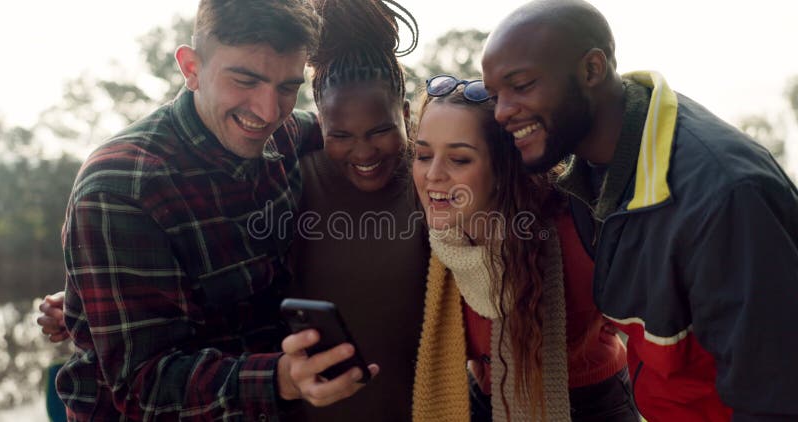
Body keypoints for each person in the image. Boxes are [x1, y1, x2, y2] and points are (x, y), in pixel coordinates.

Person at [54, 1, 379, 420]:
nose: (268, 112)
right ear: (191, 68)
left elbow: (354, 133)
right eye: (245, 80)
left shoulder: (288, 133)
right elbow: (143, 386)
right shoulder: (119, 188)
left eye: (287, 88)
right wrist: (280, 378)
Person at [481, 1, 798, 420]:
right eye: (494, 95)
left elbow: (774, 400)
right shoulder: (588, 176)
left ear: (592, 70)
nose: (501, 111)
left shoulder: (724, 195)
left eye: (521, 86)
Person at [410, 78, 637, 421]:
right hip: (485, 401)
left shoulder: (574, 227)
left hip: (593, 404)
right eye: (424, 155)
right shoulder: (432, 244)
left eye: (458, 159)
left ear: (502, 167)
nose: (433, 175)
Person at [285, 0, 428, 420]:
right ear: (319, 125)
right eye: (342, 135)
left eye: (381, 130)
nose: (364, 152)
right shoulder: (295, 182)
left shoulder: (427, 183)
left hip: (422, 408)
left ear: (404, 115)